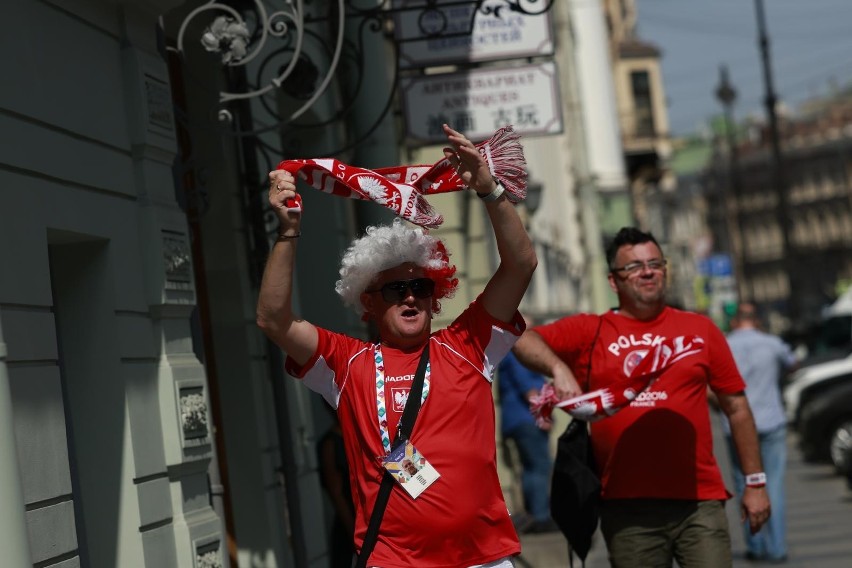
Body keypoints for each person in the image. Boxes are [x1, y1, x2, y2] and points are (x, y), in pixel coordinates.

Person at [257, 123, 537, 567]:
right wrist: (288, 232)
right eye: (394, 290)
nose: (410, 296)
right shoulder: (347, 363)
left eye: (421, 286)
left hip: (483, 559)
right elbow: (273, 319)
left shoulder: (466, 343)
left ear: (435, 293)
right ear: (368, 302)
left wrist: (490, 191)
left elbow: (520, 264)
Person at [512, 227, 771, 568]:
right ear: (613, 281)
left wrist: (755, 483)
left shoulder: (700, 330)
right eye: (634, 266)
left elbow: (736, 408)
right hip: (627, 508)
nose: (647, 271)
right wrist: (559, 368)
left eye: (654, 263)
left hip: (698, 502)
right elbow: (522, 340)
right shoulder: (593, 330)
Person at [723, 302, 796, 563]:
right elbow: (792, 363)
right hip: (771, 420)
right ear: (756, 320)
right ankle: (777, 547)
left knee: (744, 483)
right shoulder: (772, 343)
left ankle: (755, 545)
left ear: (735, 322)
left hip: (736, 425)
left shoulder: (725, 344)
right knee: (772, 483)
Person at [497, 341, 558, 534]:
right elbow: (528, 389)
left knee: (532, 467)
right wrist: (543, 415)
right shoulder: (517, 350)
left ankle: (535, 514)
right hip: (527, 419)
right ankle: (540, 517)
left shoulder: (510, 351)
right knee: (539, 466)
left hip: (519, 419)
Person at [317, 411, 356, 568]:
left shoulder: (382, 433)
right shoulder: (331, 444)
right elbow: (336, 493)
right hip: (356, 524)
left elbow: (417, 479)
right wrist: (355, 533)